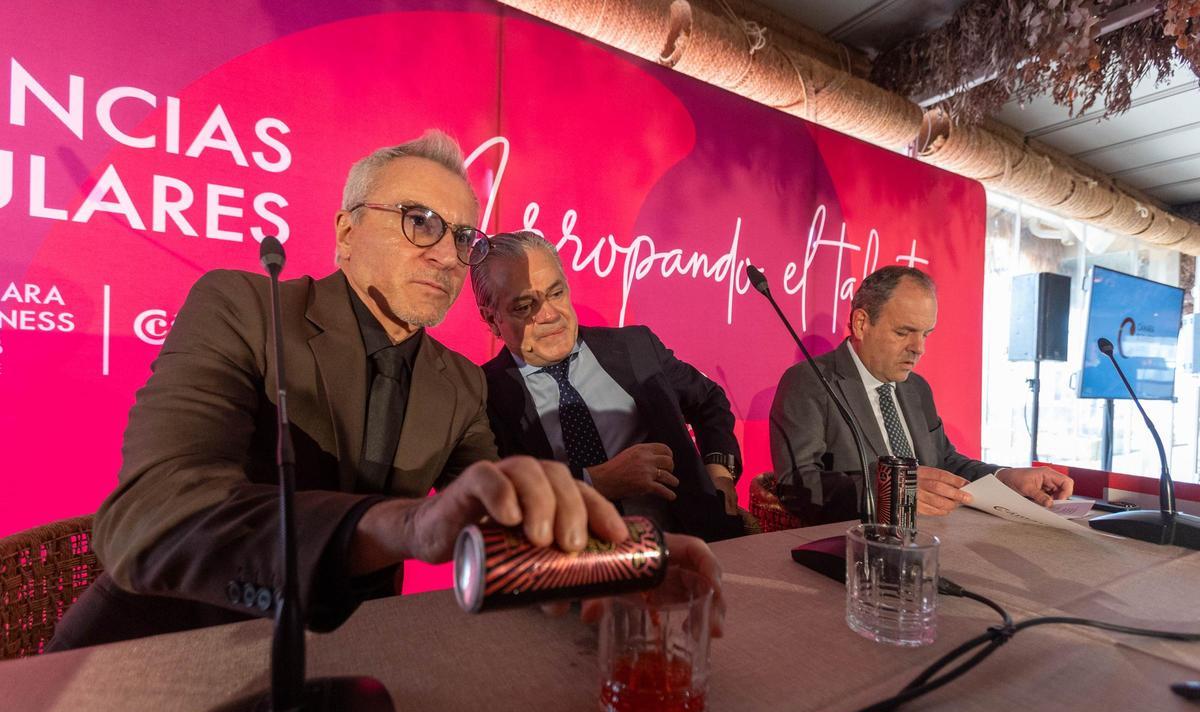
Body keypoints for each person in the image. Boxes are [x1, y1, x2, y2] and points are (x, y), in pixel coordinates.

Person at [51, 132, 724, 650]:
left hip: (356, 657)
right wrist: (405, 525)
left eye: (462, 237)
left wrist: (634, 559)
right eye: (419, 220)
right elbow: (150, 516)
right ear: (346, 232)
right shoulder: (245, 308)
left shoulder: (459, 382)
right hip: (153, 659)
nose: (445, 254)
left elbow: (503, 519)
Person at [471, 231, 745, 542]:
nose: (549, 315)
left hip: (692, 546)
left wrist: (719, 474)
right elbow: (496, 498)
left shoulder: (635, 347)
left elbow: (708, 400)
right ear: (491, 319)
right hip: (564, 562)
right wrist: (595, 481)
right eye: (524, 306)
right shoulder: (483, 394)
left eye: (556, 293)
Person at [769, 265, 1073, 524]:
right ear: (862, 324)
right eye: (903, 332)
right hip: (856, 544)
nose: (919, 348)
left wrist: (1005, 478)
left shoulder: (916, 388)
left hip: (936, 537)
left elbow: (944, 463)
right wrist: (894, 491)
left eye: (925, 334)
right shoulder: (810, 382)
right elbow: (797, 486)